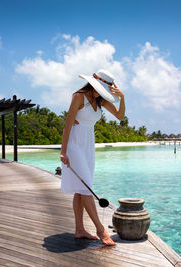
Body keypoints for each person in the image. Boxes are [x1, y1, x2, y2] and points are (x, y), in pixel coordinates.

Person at [60, 69, 125, 246]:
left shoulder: (100, 100)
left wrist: (122, 98)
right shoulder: (78, 96)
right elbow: (67, 125)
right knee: (87, 188)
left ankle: (79, 229)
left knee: (81, 189)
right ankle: (100, 230)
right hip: (74, 145)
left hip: (88, 146)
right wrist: (63, 151)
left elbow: (120, 116)